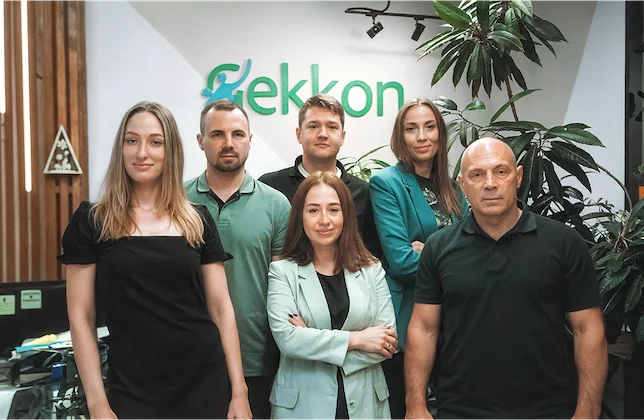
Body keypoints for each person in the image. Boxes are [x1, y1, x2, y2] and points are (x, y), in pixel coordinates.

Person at [60, 102, 251, 420]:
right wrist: (97, 404)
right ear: (121, 148)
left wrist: (239, 392)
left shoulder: (197, 220)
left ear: (170, 150)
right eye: (132, 140)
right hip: (131, 388)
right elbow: (81, 317)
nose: (142, 152)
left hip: (204, 382)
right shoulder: (93, 221)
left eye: (155, 142)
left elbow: (221, 309)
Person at [406, 138, 608, 420]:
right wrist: (415, 405)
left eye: (500, 171)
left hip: (549, 410)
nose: (490, 183)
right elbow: (423, 328)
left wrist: (588, 411)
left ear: (518, 176)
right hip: (460, 410)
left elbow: (588, 329)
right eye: (477, 175)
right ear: (462, 185)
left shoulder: (563, 242)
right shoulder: (439, 248)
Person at [185, 99, 291, 420]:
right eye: (217, 134)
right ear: (200, 141)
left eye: (238, 134)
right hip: (189, 357)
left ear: (250, 140)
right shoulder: (176, 201)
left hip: (257, 359)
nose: (228, 143)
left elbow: (284, 288)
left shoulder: (276, 205)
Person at [266, 172, 396, 419]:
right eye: (313, 210)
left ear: (346, 215)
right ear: (300, 216)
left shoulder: (371, 269)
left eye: (333, 210)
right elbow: (288, 340)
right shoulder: (283, 272)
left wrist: (310, 341)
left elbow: (386, 343)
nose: (324, 220)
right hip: (302, 406)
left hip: (366, 403)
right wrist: (356, 339)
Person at [369, 98, 468, 419]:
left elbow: (478, 252)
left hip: (457, 323)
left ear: (440, 134)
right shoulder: (386, 184)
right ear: (400, 137)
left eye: (429, 127)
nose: (422, 136)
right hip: (410, 320)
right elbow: (401, 261)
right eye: (411, 129)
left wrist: (429, 250)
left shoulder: (454, 187)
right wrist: (459, 261)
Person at [259, 94, 381, 257]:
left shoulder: (365, 193)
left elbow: (373, 254)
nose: (323, 134)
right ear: (299, 134)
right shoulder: (269, 187)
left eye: (332, 127)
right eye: (313, 126)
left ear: (342, 136)